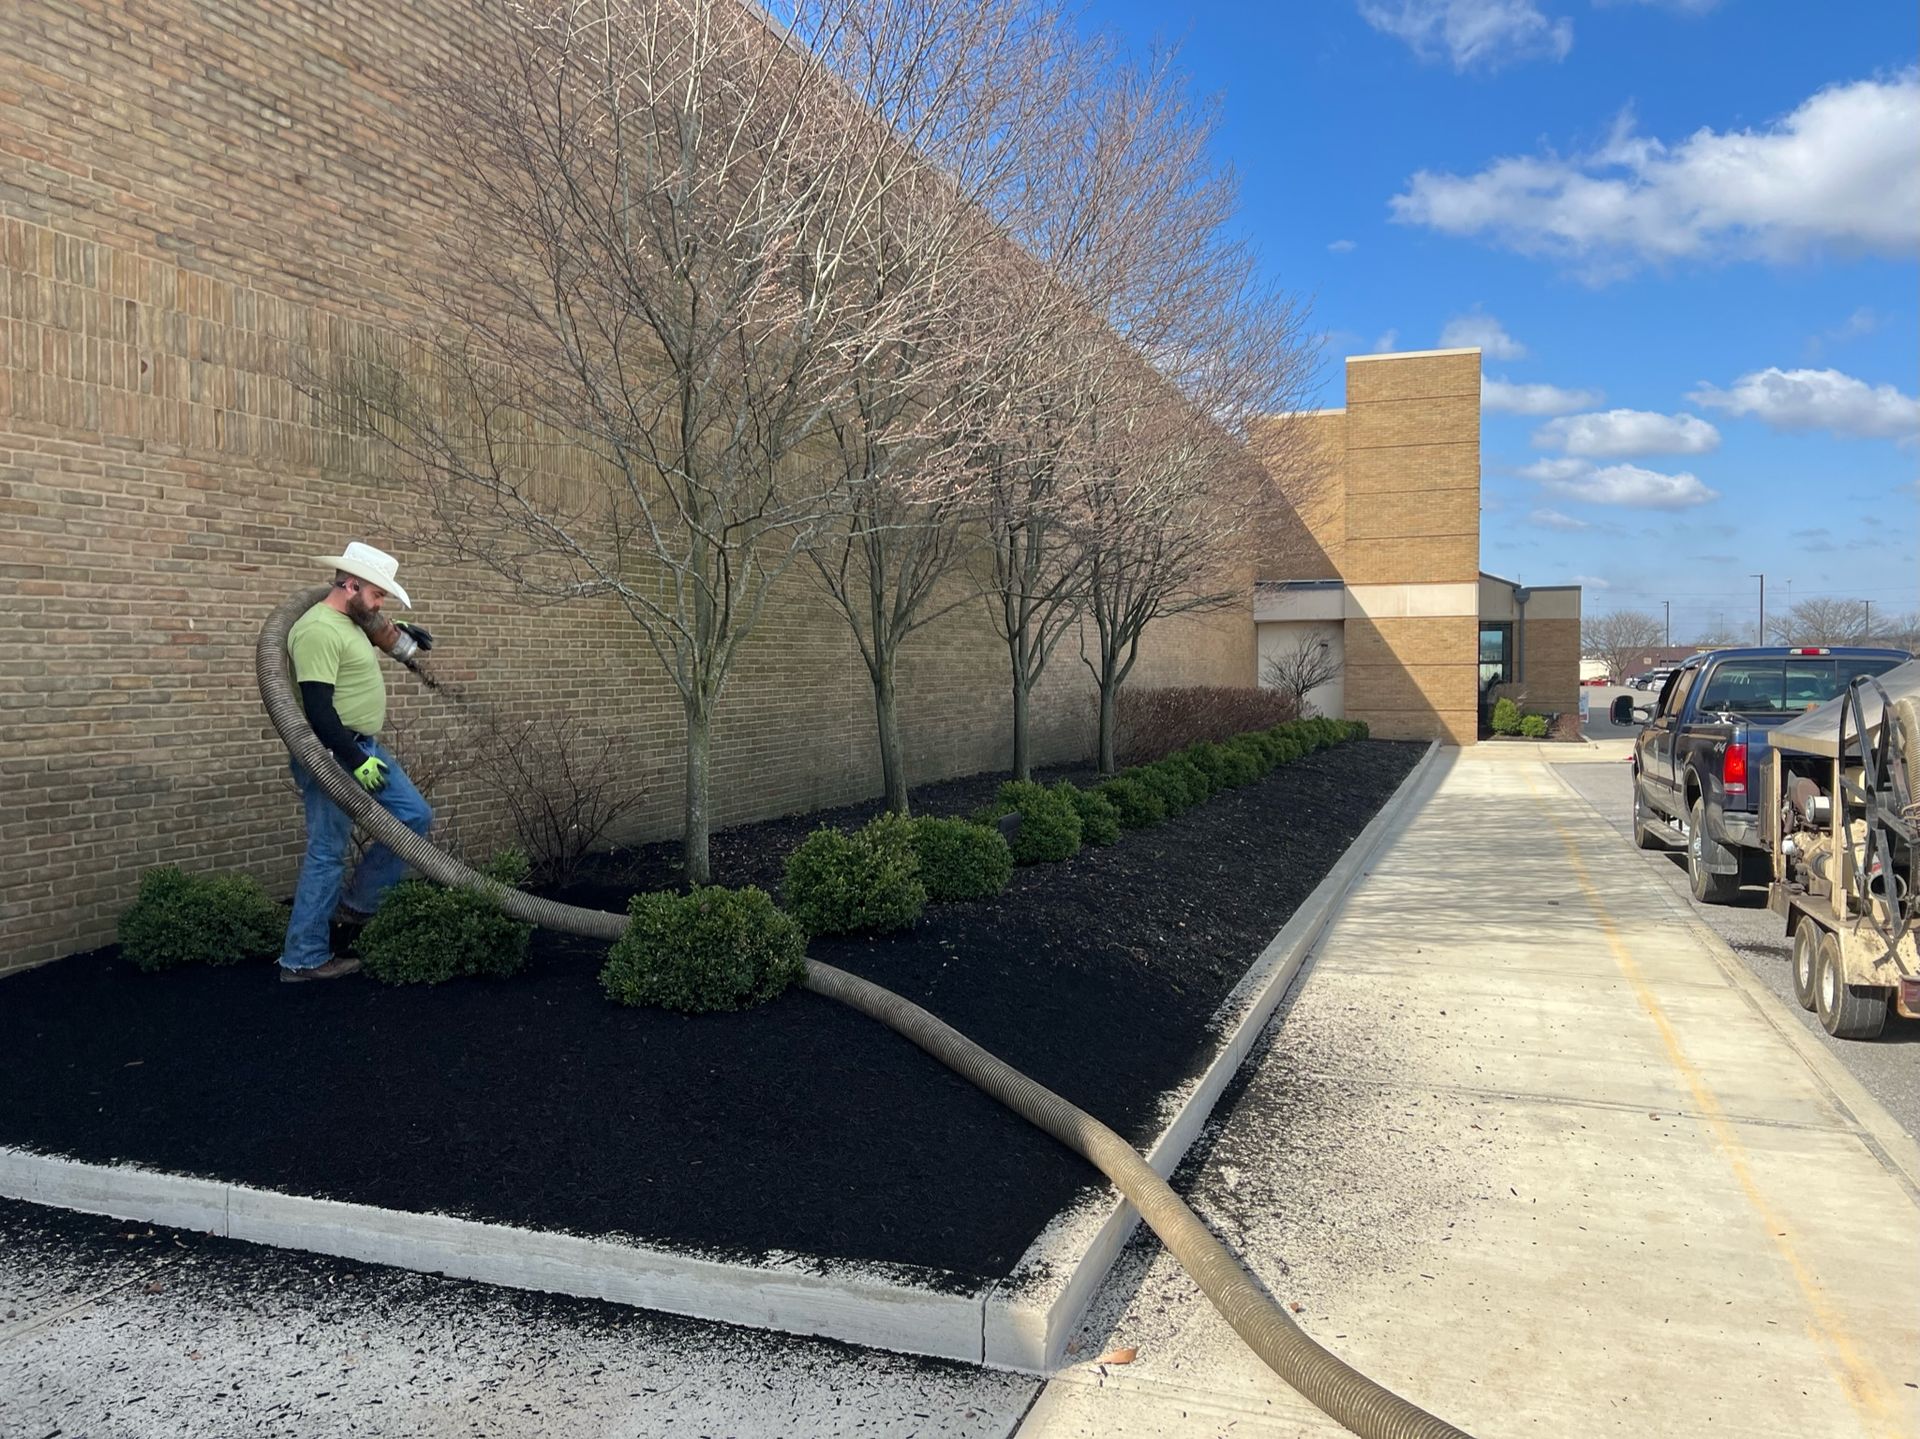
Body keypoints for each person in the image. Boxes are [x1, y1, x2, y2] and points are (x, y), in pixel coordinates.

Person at [277, 542, 435, 982]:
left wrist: (402, 630)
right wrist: (355, 760)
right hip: (332, 755)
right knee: (327, 852)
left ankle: (359, 904)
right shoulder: (317, 631)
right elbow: (318, 709)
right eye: (377, 595)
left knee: (414, 817)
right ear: (350, 585)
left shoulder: (348, 620)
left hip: (362, 748)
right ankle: (303, 958)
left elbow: (369, 632)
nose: (380, 604)